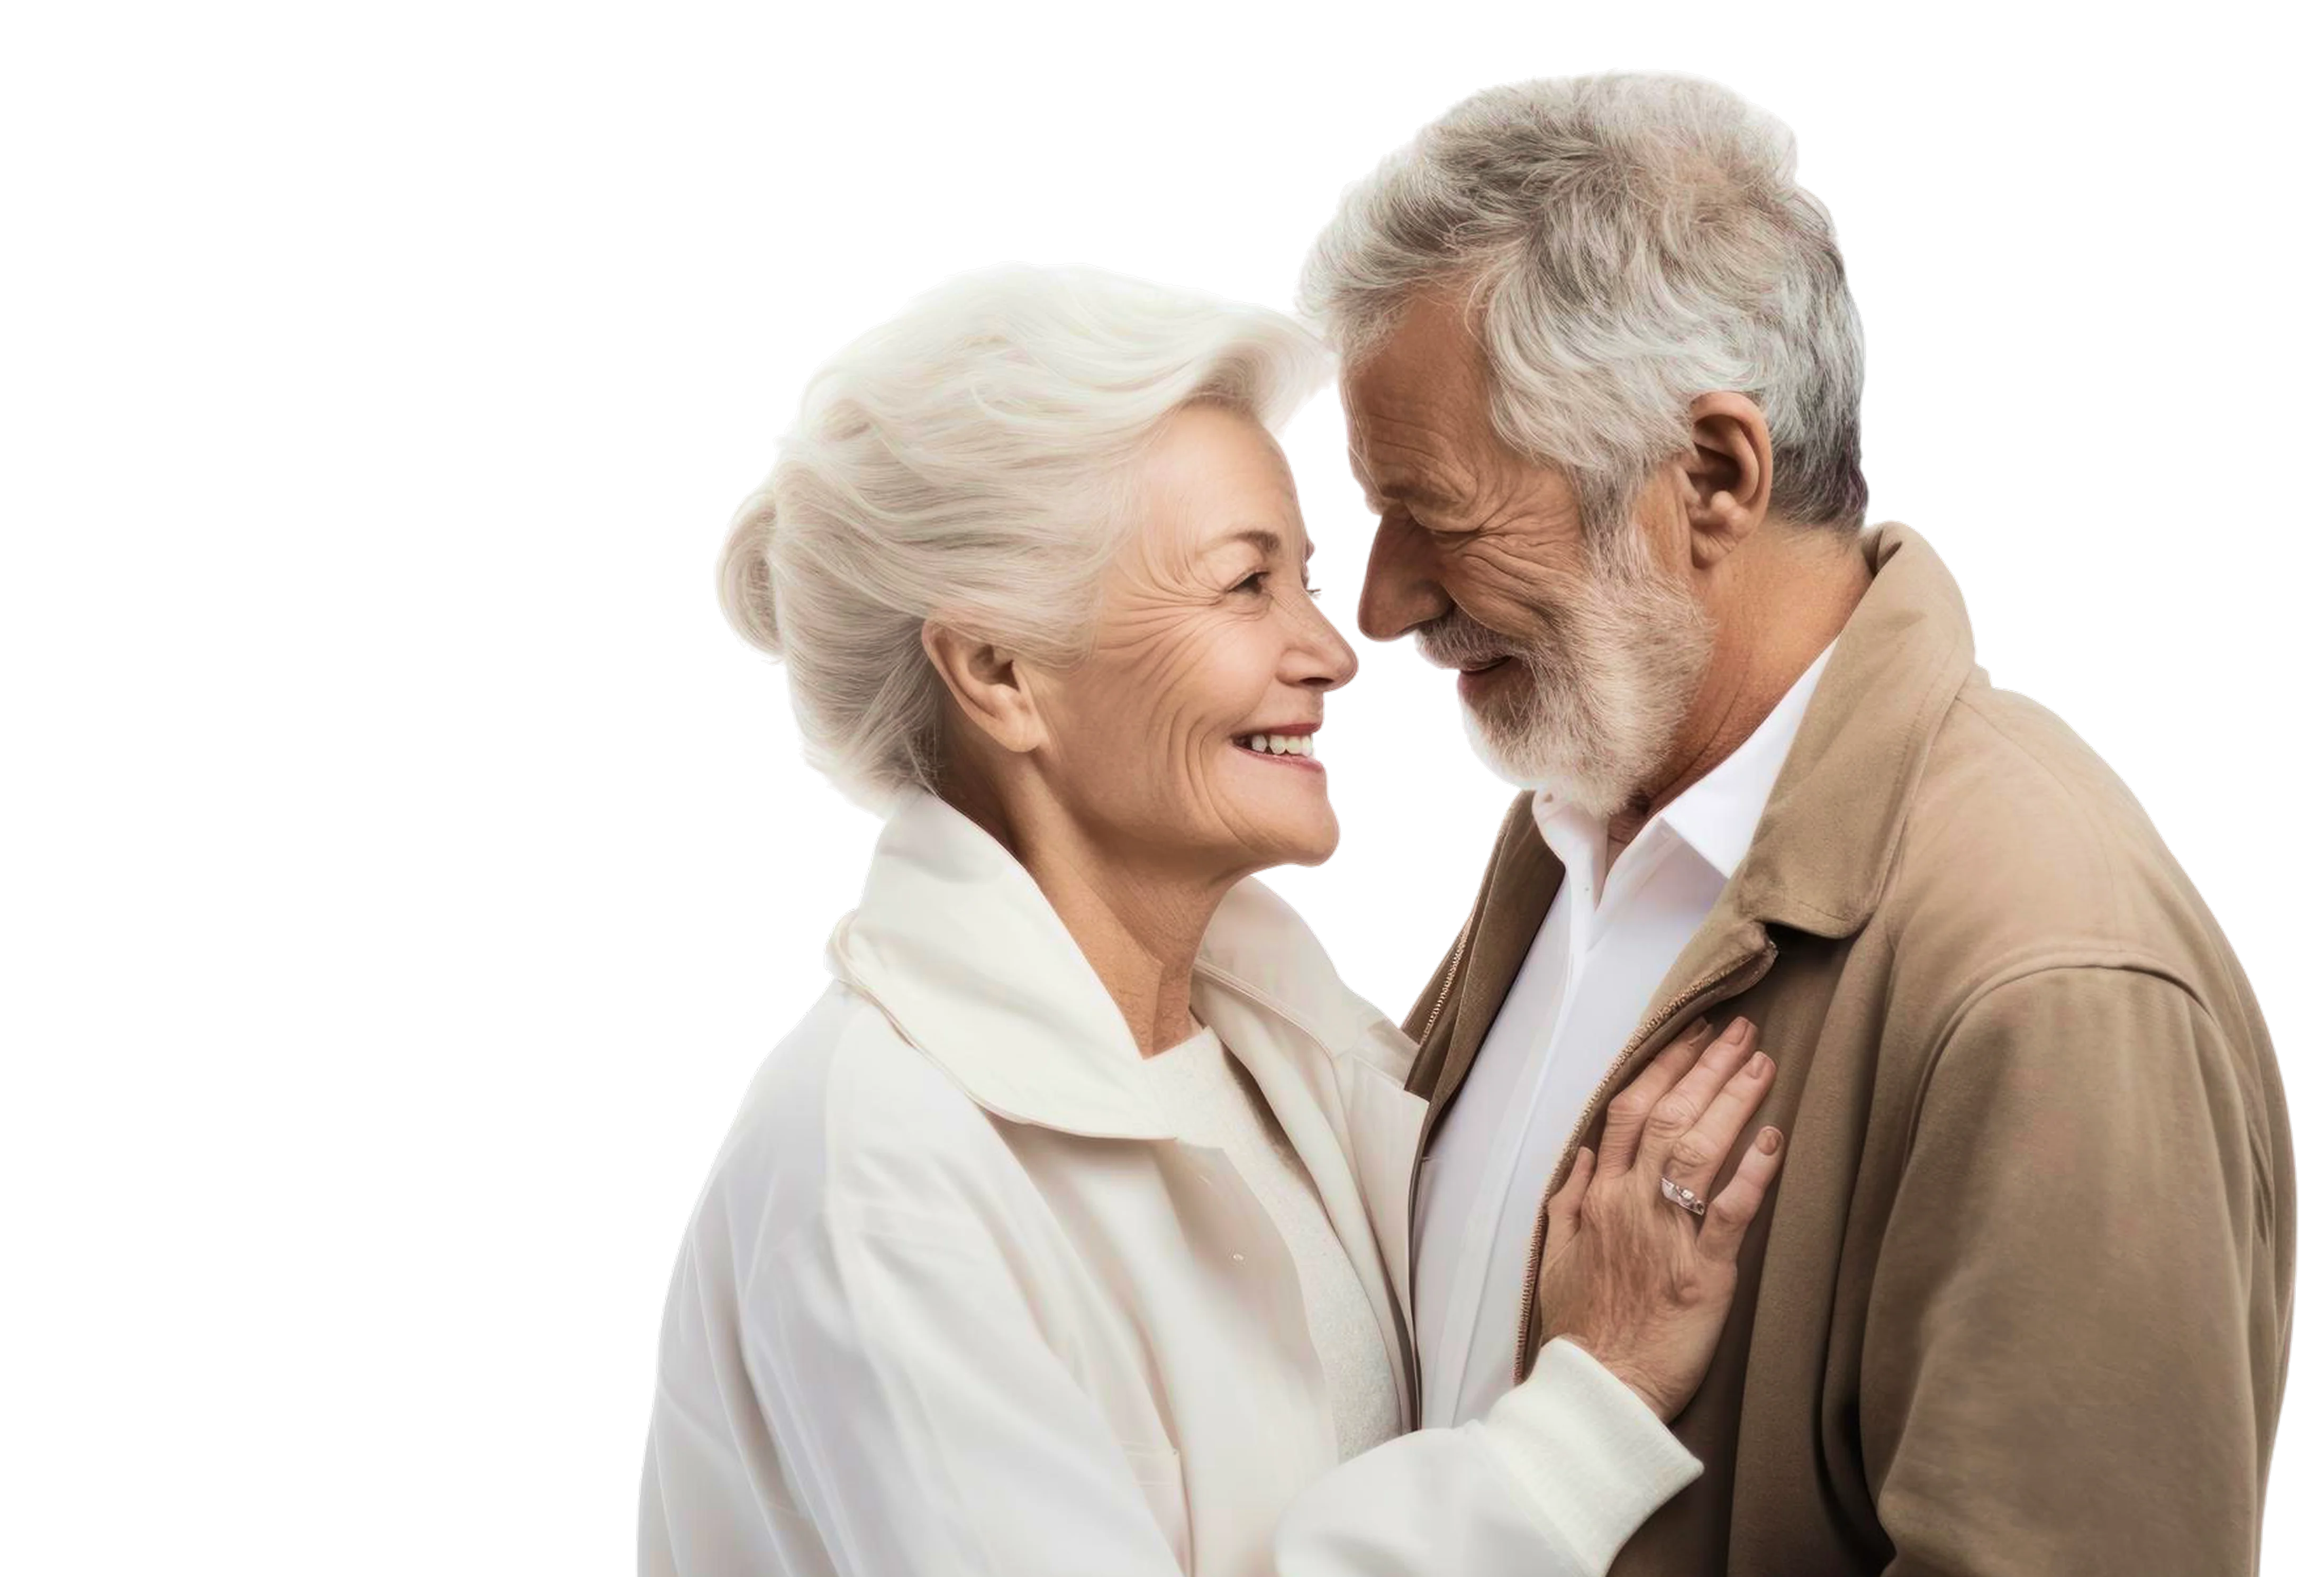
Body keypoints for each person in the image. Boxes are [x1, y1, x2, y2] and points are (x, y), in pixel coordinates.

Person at [637, 261, 1790, 1575]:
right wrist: (1587, 1413)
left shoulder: (1275, 1049)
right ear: (1002, 672)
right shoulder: (878, 1167)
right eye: (1246, 586)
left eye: (1303, 576)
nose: (1335, 650)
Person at [1290, 68, 2297, 1572]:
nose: (1383, 603)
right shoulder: (1577, 819)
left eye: (1439, 508)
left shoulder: (2053, 983)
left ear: (1713, 476)